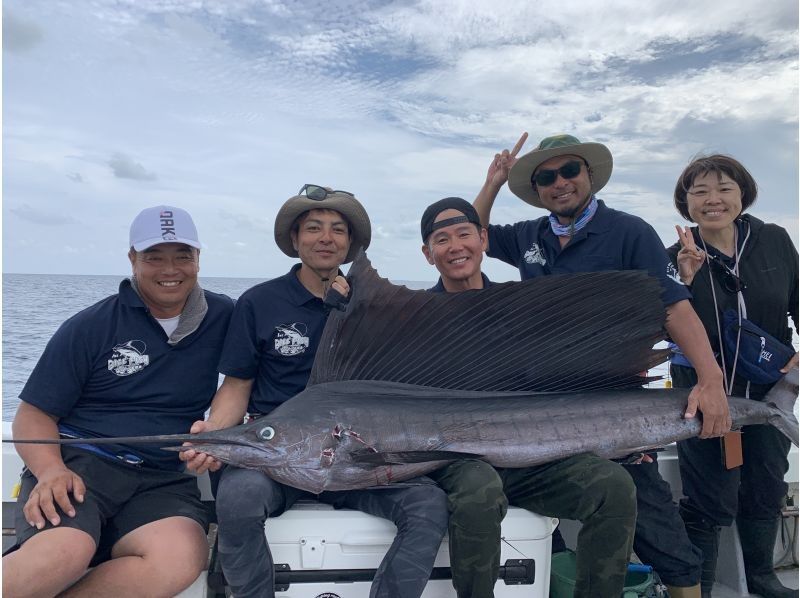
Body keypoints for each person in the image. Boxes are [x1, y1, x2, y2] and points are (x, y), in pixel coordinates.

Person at [473, 134, 733, 598]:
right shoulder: (530, 236)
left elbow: (675, 308)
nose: (560, 183)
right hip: (541, 408)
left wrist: (711, 380)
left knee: (658, 527)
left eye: (569, 170)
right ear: (537, 189)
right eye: (546, 177)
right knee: (523, 511)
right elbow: (473, 236)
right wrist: (492, 183)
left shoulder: (629, 232)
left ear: (588, 175)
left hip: (613, 403)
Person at [181, 185, 449, 598]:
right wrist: (213, 435)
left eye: (338, 229)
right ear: (295, 239)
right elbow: (237, 385)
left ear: (351, 243)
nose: (326, 238)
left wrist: (349, 309)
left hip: (363, 459)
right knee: (237, 500)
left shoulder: (375, 306)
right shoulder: (259, 302)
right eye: (313, 228)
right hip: (278, 456)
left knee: (428, 507)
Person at [3, 205, 235, 598]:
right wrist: (50, 472)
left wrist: (217, 430)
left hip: (161, 478)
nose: (170, 269)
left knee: (179, 557)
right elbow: (33, 415)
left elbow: (238, 380)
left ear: (198, 258)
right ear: (132, 259)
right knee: (64, 551)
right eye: (154, 257)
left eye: (183, 255)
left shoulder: (224, 315)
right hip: (81, 466)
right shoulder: (91, 325)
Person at [420, 196, 637, 598]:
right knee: (479, 491)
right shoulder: (417, 316)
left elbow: (566, 369)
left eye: (465, 234)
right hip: (457, 458)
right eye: (442, 239)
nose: (456, 247)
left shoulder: (521, 306)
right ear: (428, 254)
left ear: (483, 239)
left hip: (534, 456)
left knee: (612, 485)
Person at [668, 154, 798, 598]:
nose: (713, 199)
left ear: (743, 194)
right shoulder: (673, 257)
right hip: (704, 394)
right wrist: (685, 278)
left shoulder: (774, 241)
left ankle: (761, 577)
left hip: (768, 390)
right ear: (685, 202)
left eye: (724, 188)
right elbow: (658, 323)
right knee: (708, 497)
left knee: (766, 483)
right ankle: (698, 588)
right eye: (699, 191)